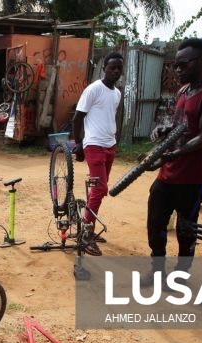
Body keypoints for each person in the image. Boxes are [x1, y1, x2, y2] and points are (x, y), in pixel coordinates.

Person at [144, 37, 202, 284]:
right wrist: (165, 130)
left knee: (186, 228)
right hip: (168, 173)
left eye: (183, 65)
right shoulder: (184, 90)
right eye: (176, 65)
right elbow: (181, 125)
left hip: (191, 177)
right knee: (155, 223)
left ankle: (181, 276)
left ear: (201, 61)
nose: (178, 70)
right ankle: (157, 272)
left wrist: (178, 152)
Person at [71, 51, 124, 256]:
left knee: (98, 190)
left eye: (119, 68)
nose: (116, 71)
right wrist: (79, 144)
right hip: (93, 145)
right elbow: (77, 118)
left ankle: (88, 226)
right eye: (113, 67)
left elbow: (113, 117)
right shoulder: (93, 90)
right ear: (105, 68)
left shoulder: (117, 93)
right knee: (100, 188)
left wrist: (115, 138)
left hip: (109, 146)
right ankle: (86, 234)